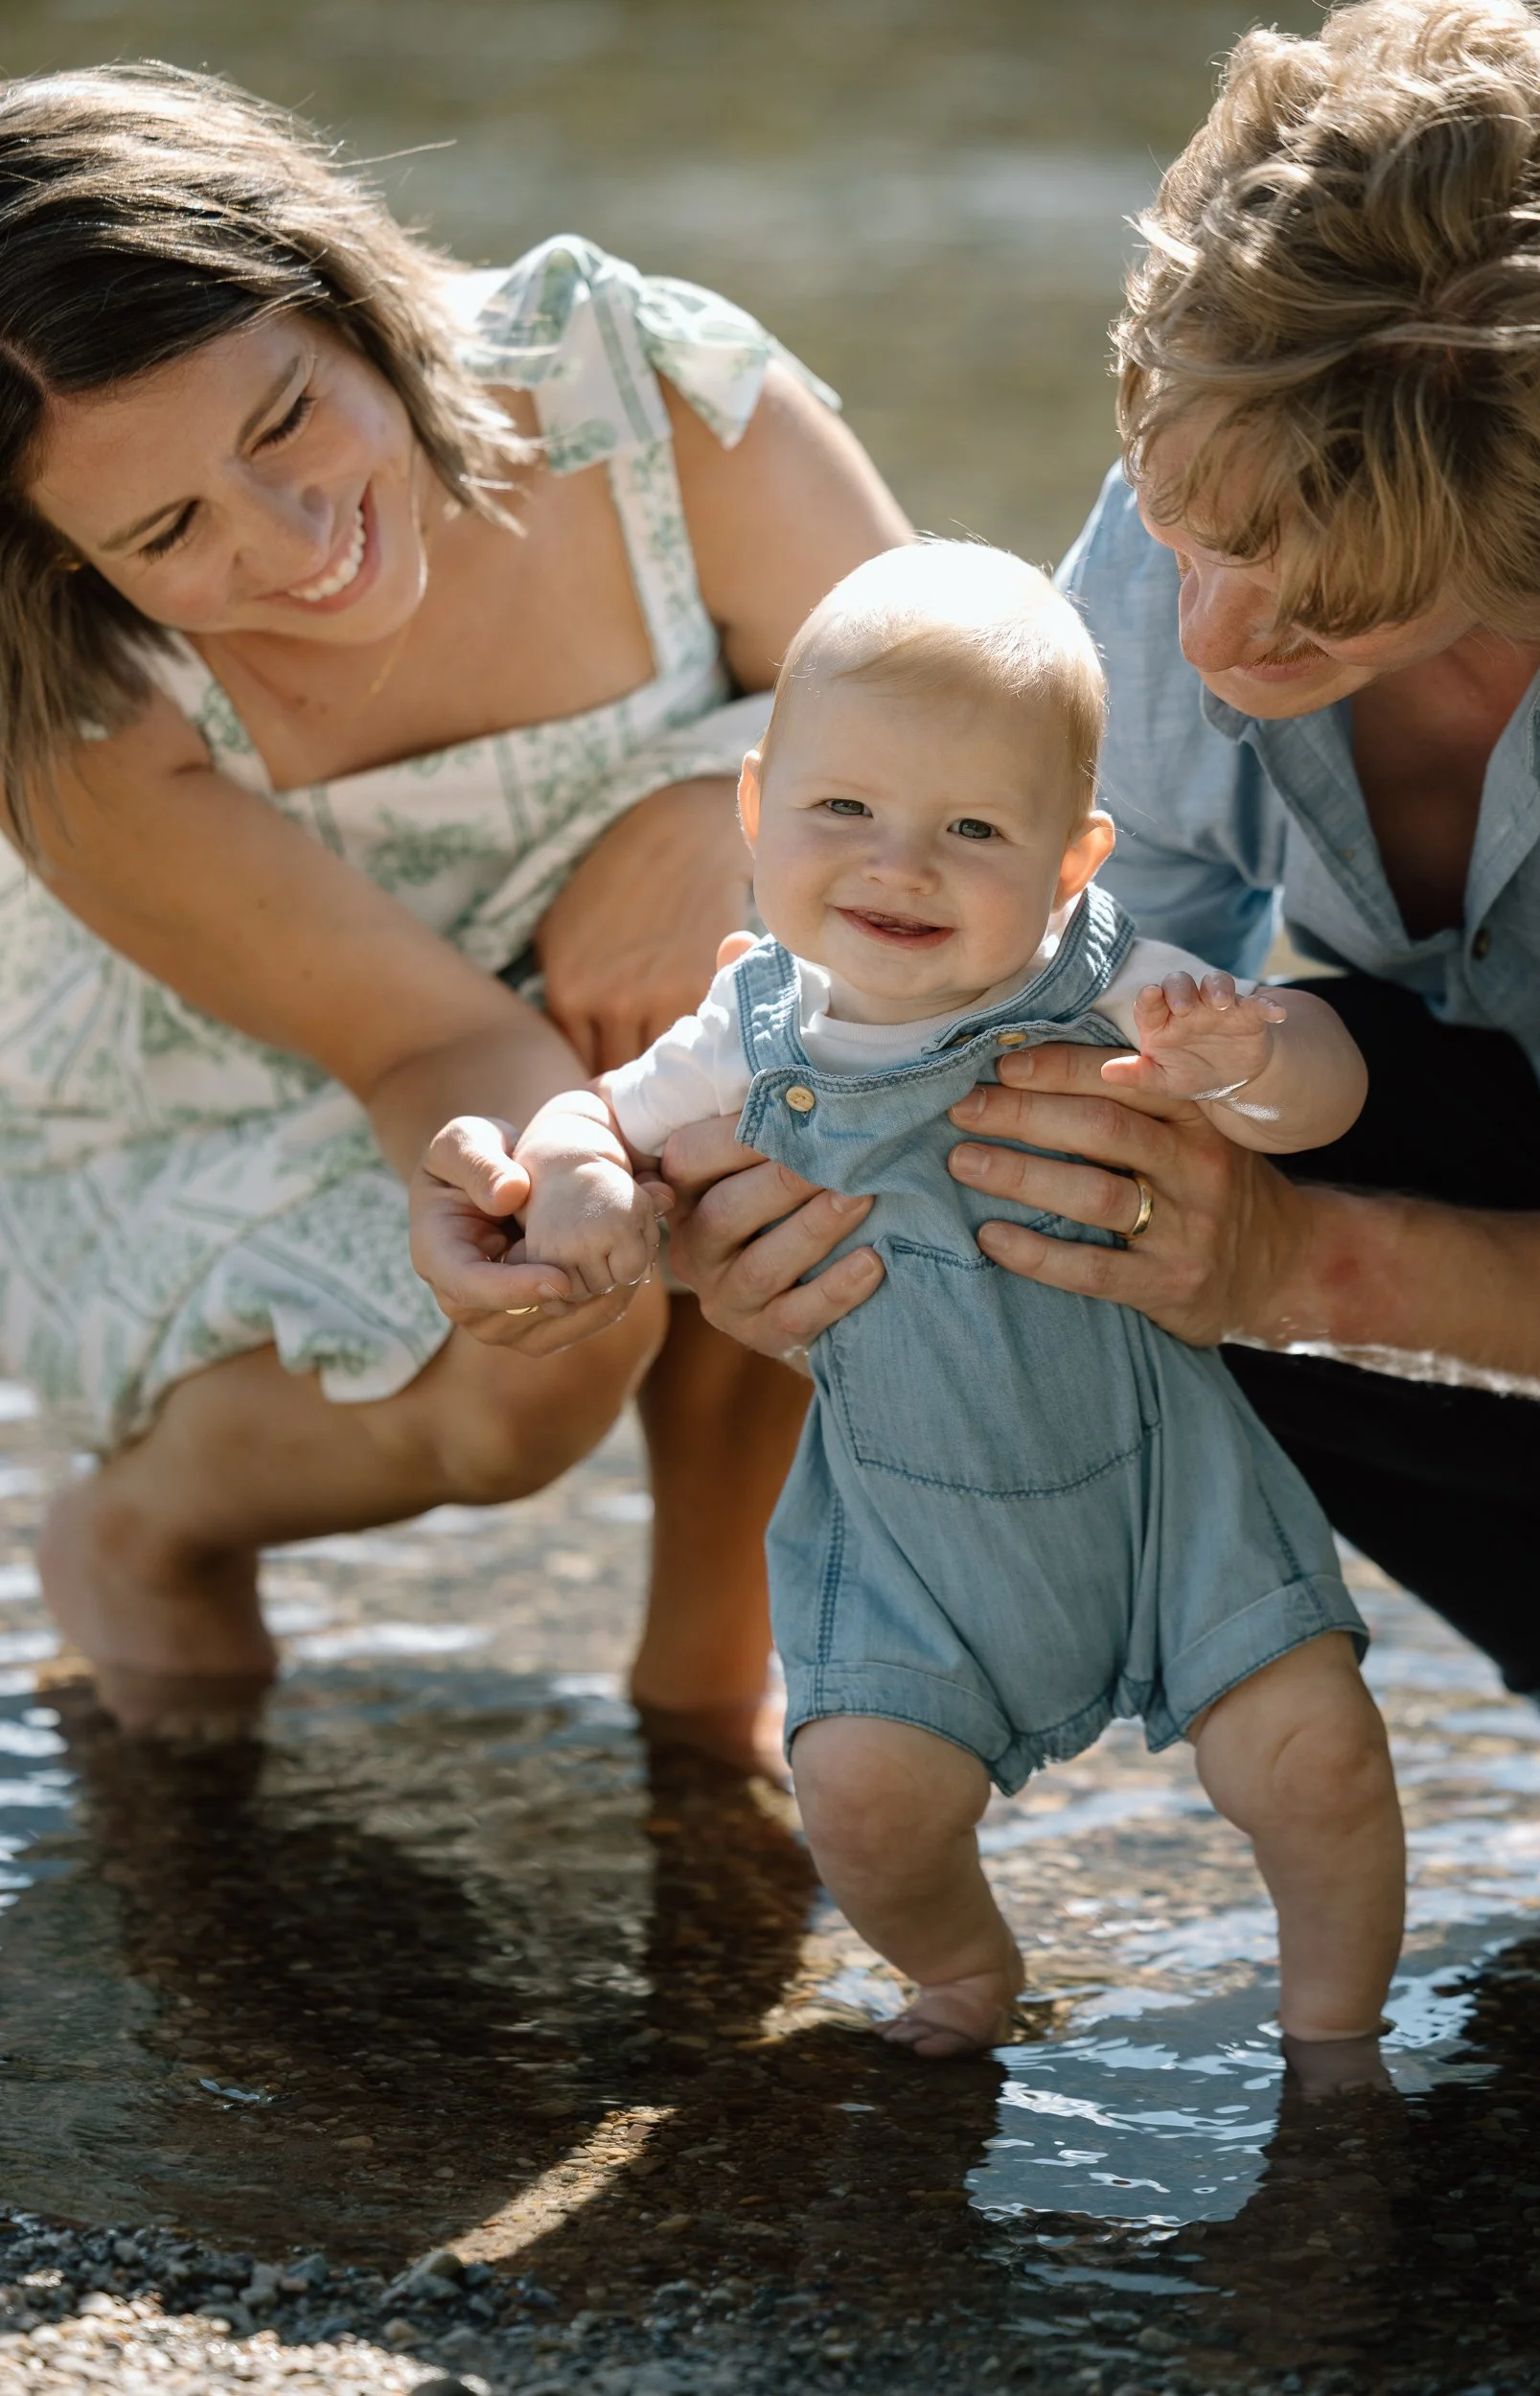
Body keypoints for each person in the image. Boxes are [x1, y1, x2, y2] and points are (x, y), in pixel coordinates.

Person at [655, 0, 1540, 1739]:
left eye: (1323, 604)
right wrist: (774, 1194)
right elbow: (985, 1011)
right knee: (1077, 1122)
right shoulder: (1242, 443)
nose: (1213, 639)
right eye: (1185, 533)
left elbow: (1280, 1247)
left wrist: (1298, 1266)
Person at [0, 63, 909, 1750]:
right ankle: (148, 1525)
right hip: (242, 1109)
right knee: (544, 1350)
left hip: (640, 1001)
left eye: (283, 420)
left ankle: (709, 1700)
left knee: (833, 1051)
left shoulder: (637, 392)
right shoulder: (83, 718)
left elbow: (933, 709)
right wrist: (558, 1170)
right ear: (65, 560)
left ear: (341, 292)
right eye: (168, 527)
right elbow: (428, 1037)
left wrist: (716, 819)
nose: (293, 540)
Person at [495, 542, 1401, 2061]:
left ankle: (1334, 2042)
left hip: (1163, 1491)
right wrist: (579, 1176)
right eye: (841, 809)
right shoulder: (747, 1026)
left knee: (1314, 1759)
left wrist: (1244, 1057)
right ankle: (967, 1973)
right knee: (859, 1792)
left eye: (973, 828)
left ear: (1069, 862)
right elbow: (597, 1114)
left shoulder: (1100, 974)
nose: (896, 864)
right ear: (754, 809)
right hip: (913, 1529)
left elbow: (1324, 1094)